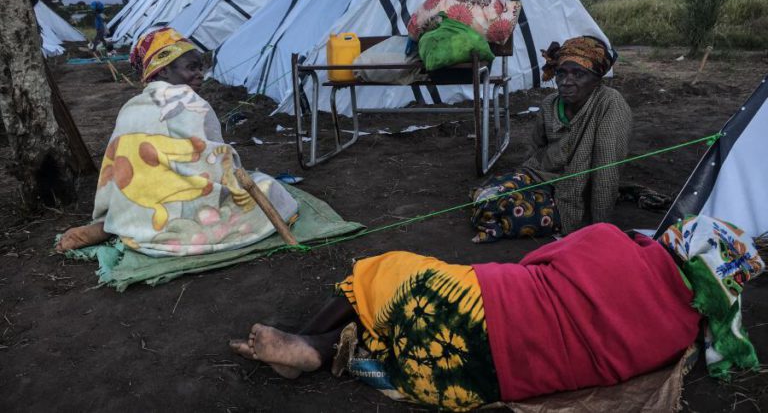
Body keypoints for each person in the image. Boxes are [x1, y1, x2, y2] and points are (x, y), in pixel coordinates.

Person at [230, 215, 764, 411]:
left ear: (679, 240)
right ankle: (322, 352)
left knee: (383, 270)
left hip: (471, 308)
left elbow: (532, 261)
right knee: (403, 333)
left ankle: (309, 341)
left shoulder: (609, 241)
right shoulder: (680, 335)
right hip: (458, 384)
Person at [57, 27, 298, 256]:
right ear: (163, 70)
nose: (200, 74)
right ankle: (187, 230)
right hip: (187, 205)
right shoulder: (193, 103)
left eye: (201, 68)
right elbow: (220, 164)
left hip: (136, 205)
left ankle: (113, 224)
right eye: (191, 67)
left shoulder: (130, 107)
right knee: (269, 187)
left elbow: (113, 167)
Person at [469, 35, 632, 242]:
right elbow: (535, 150)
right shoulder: (550, 104)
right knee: (487, 196)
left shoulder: (610, 105)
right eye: (561, 73)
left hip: (574, 194)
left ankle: (501, 222)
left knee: (502, 210)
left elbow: (606, 170)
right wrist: (522, 181)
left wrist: (600, 230)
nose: (566, 82)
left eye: (578, 74)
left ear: (596, 78)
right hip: (541, 178)